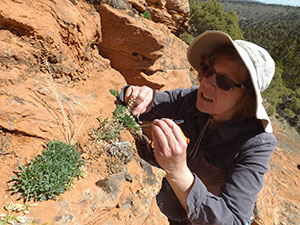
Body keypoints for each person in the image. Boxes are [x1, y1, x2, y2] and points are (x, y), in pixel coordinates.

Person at [120, 30, 276, 225]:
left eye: (224, 82)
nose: (208, 83)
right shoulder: (193, 98)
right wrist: (137, 95)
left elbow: (234, 220)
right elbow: (153, 103)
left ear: (247, 97)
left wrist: (178, 172)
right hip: (167, 208)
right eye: (208, 71)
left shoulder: (256, 143)